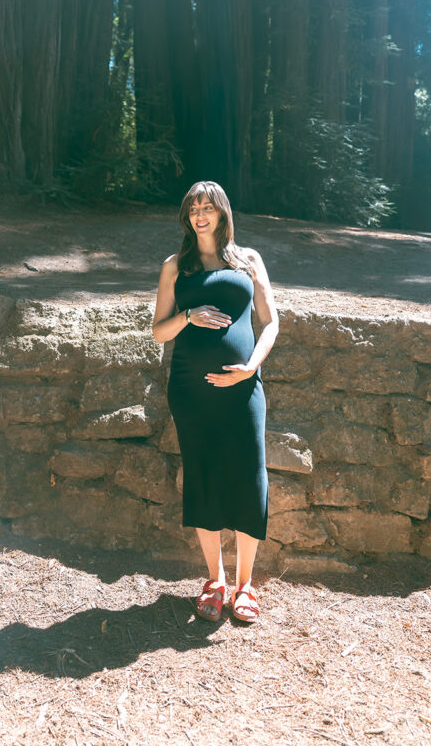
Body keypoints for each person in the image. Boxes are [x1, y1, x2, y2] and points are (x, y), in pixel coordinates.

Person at [152, 180, 279, 623]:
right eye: (193, 209)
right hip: (190, 390)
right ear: (186, 217)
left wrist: (251, 367)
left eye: (208, 207)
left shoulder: (248, 260)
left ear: (223, 213)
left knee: (249, 476)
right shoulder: (176, 266)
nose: (200, 215)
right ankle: (215, 581)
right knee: (203, 475)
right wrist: (189, 315)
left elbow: (270, 323)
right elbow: (158, 332)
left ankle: (246, 584)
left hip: (244, 388)